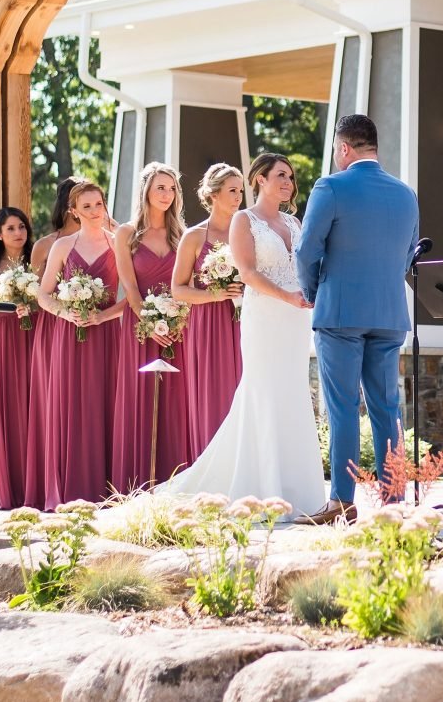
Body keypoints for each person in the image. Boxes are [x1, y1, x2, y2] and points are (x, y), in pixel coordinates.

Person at [158, 154, 327, 513]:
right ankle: (262, 489)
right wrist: (287, 297)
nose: (288, 182)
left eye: (291, 177)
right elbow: (248, 273)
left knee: (293, 394)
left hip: (295, 321)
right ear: (259, 180)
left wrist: (310, 296)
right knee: (263, 393)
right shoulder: (243, 220)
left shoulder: (294, 222)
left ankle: (301, 493)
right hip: (265, 316)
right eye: (280, 175)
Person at [294, 114, 420, 525]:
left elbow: (307, 250)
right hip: (388, 313)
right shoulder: (405, 194)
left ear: (344, 148)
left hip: (341, 313)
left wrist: (315, 293)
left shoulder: (330, 186)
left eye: (335, 149)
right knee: (387, 408)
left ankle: (341, 502)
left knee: (343, 408)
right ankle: (393, 499)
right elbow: (406, 256)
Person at [33, 180, 126, 505]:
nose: (93, 211)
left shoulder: (118, 244)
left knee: (108, 404)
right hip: (70, 336)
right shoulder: (63, 246)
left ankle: (110, 490)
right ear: (73, 210)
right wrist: (65, 311)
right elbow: (43, 294)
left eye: (98, 204)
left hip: (108, 337)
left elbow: (132, 298)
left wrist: (103, 317)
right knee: (72, 407)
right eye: (86, 206)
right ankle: (72, 491)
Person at [110, 163, 193, 493]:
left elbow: (186, 283)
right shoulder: (126, 234)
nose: (167, 194)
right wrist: (151, 322)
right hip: (139, 326)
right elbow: (129, 287)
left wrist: (175, 320)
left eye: (172, 189)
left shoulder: (182, 235)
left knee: (177, 401)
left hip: (178, 329)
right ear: (146, 190)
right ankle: (137, 485)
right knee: (140, 399)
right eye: (161, 187)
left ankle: (178, 483)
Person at [171, 164, 247, 458]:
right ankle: (210, 462)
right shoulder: (194, 236)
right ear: (213, 194)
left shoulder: (249, 231)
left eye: (240, 190)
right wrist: (214, 294)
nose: (238, 196)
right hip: (208, 325)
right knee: (213, 393)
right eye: (232, 190)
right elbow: (178, 289)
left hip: (244, 321)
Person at [0, 207, 35, 509]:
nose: (18, 233)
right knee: (7, 410)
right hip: (2, 342)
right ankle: (9, 493)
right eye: (11, 228)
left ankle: (35, 487)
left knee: (33, 409)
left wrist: (31, 307)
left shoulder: (36, 261)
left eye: (22, 226)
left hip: (33, 339)